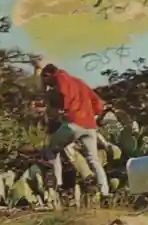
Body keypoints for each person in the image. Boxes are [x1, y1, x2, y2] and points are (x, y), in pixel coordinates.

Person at [40, 64, 111, 194]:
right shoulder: (79, 81)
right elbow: (98, 103)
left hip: (74, 123)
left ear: (49, 75)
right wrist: (92, 113)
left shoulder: (60, 77)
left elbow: (63, 94)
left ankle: (57, 186)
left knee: (51, 149)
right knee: (94, 161)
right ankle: (105, 191)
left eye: (45, 79)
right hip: (90, 126)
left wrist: (63, 108)